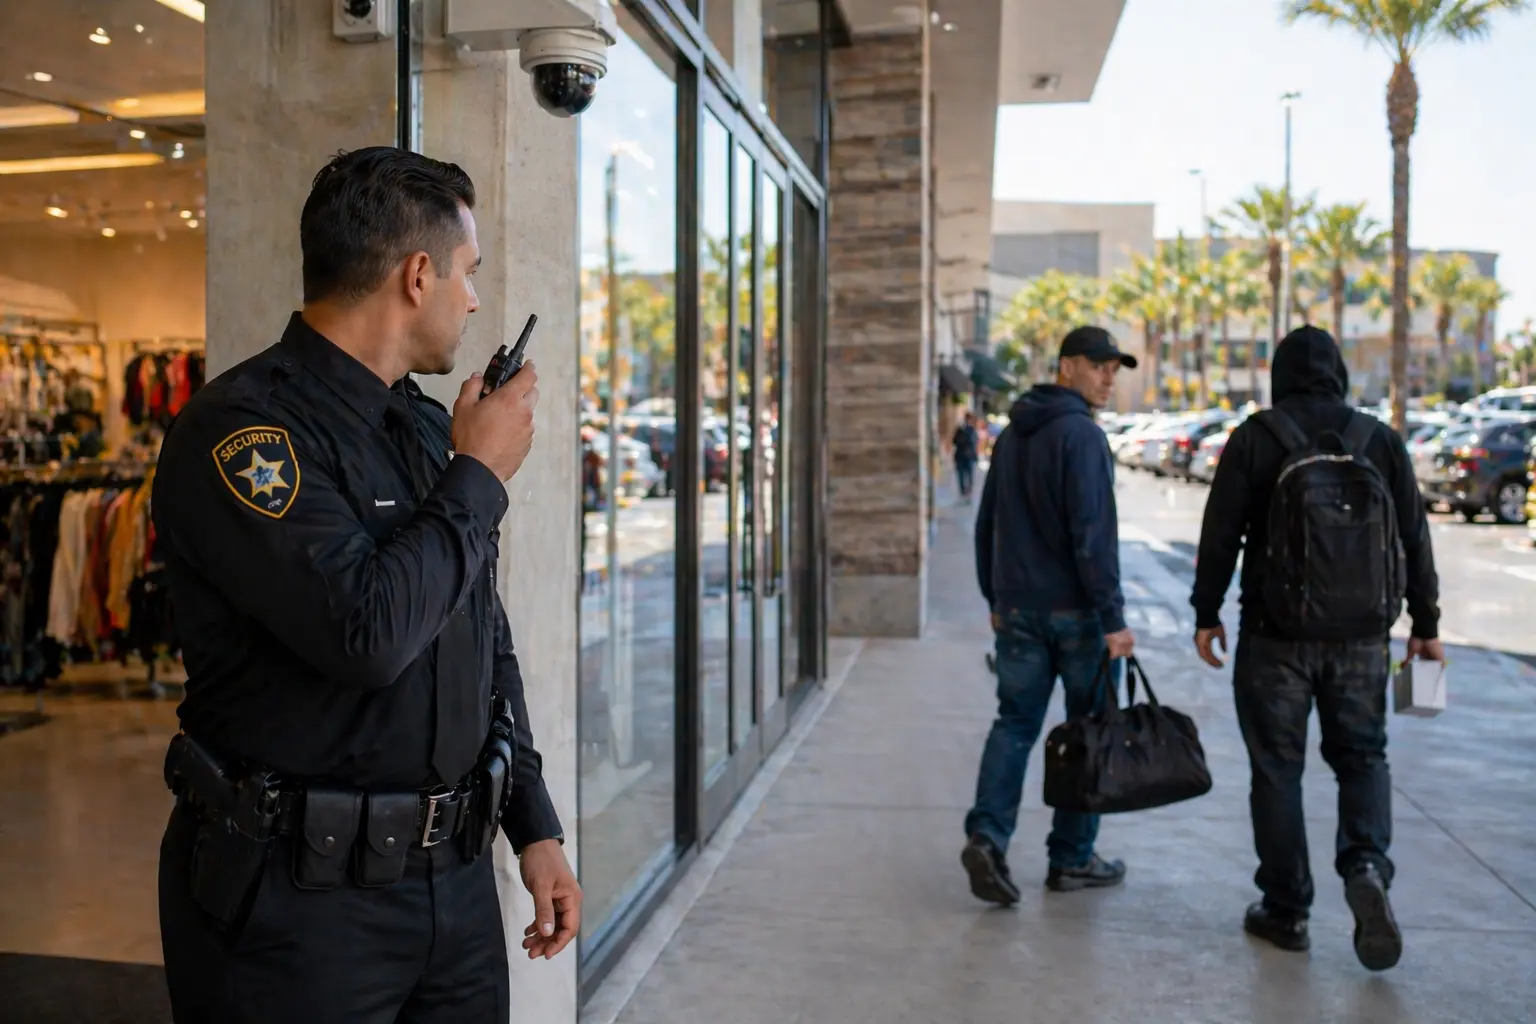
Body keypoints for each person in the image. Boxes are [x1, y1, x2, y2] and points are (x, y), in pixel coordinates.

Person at [153, 147, 581, 1023]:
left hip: (453, 891)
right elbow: (367, 634)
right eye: (467, 273)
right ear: (417, 274)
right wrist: (480, 478)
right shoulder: (242, 433)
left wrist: (531, 822)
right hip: (298, 911)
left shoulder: (427, 429)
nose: (472, 297)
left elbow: (480, 635)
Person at [1190, 325, 1442, 972]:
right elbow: (1415, 536)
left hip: (1275, 638)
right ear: (1338, 374)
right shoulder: (1378, 440)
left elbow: (1220, 533)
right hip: (1361, 638)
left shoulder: (1256, 437)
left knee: (1277, 770)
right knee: (1363, 758)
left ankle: (1286, 909)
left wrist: (1206, 612)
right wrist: (1427, 624)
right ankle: (1365, 866)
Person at [961, 325, 1138, 905]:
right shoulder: (1081, 438)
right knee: (1087, 733)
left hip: (1018, 611)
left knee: (1014, 724)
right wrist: (1113, 619)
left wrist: (996, 599)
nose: (1108, 377)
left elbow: (987, 524)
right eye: (1098, 366)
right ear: (1066, 367)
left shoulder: (1013, 435)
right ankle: (1072, 858)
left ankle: (987, 838)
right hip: (1078, 617)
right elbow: (1094, 537)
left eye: (1114, 368)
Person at [952, 411, 980, 499]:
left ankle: (968, 491)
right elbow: (955, 441)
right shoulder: (960, 429)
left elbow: (974, 442)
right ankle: (963, 491)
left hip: (969, 456)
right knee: (961, 475)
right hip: (961, 455)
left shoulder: (973, 430)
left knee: (969, 474)